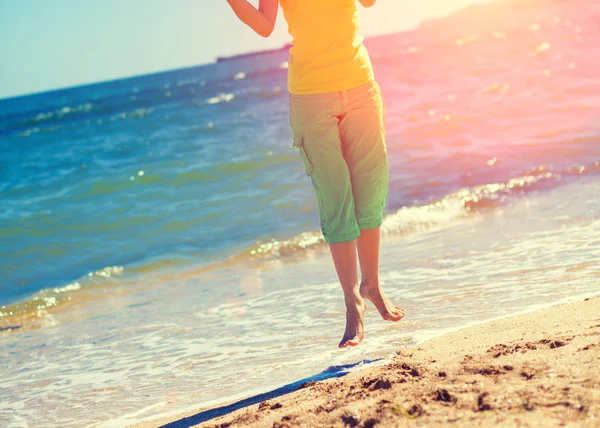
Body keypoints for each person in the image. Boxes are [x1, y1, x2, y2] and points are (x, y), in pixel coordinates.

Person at [226, 0, 404, 348]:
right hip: (311, 96)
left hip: (360, 86)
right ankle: (353, 302)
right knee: (336, 195)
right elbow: (265, 25)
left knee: (369, 188)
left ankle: (372, 285)